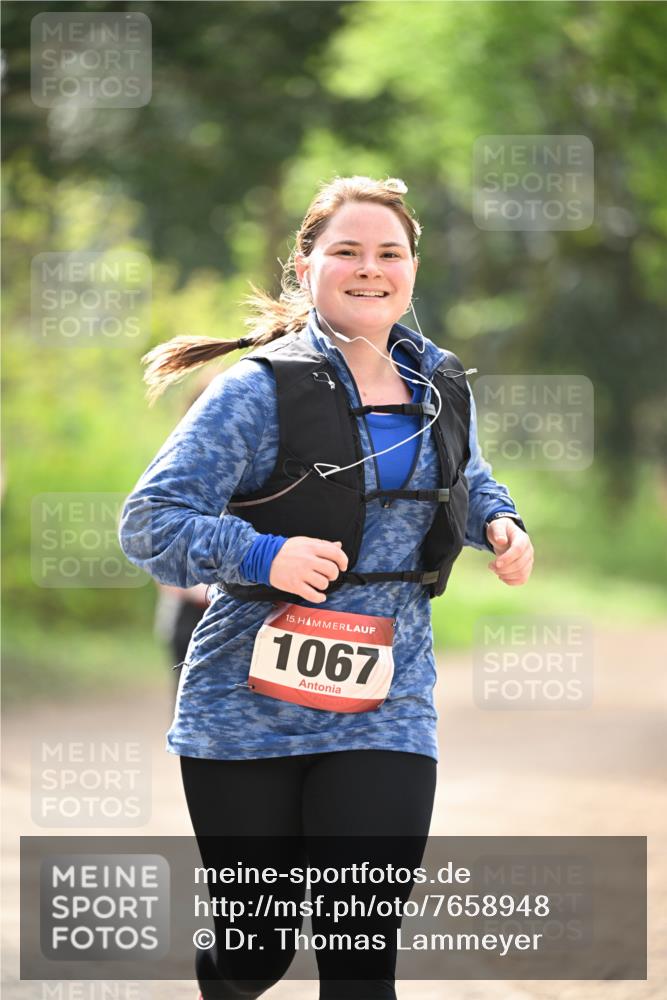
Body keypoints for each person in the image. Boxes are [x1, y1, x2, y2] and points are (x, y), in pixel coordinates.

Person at [118, 175, 534, 1000]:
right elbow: (149, 524)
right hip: (246, 709)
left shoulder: (440, 382)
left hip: (387, 702)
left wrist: (500, 521)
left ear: (412, 267)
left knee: (359, 950)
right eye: (345, 251)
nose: (368, 268)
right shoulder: (255, 390)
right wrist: (260, 554)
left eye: (389, 252)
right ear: (304, 266)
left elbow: (470, 472)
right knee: (257, 949)